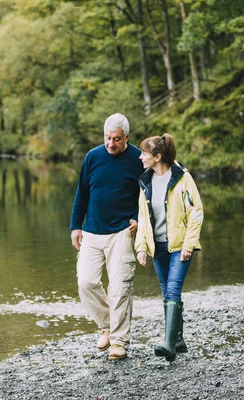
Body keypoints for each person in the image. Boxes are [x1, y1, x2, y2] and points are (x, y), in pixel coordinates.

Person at [70, 113, 145, 361]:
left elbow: (147, 193)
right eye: (107, 138)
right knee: (86, 282)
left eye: (117, 139)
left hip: (122, 230)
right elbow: (82, 192)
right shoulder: (93, 157)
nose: (111, 144)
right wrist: (75, 226)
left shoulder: (137, 158)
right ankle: (107, 325)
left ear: (126, 137)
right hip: (91, 230)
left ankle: (119, 342)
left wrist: (139, 218)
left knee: (120, 287)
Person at [134, 133, 204, 362]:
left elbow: (196, 213)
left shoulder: (182, 178)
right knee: (167, 292)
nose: (141, 157)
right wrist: (141, 247)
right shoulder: (145, 182)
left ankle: (168, 345)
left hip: (179, 246)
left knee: (173, 289)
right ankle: (179, 340)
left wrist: (189, 243)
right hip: (158, 247)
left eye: (144, 153)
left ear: (157, 156)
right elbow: (143, 219)